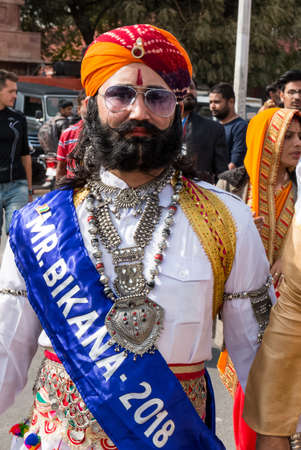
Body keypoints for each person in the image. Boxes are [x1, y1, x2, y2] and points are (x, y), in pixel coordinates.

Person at [0, 24, 275, 450]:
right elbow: (6, 350)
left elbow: (260, 357)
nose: (138, 113)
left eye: (157, 98)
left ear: (179, 111)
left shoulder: (226, 219)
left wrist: (273, 438)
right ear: (90, 107)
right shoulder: (37, 222)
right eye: (121, 95)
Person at [217, 108, 301, 450]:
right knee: (249, 389)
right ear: (268, 141)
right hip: (244, 311)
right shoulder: (232, 190)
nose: (298, 144)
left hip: (290, 309)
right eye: (289, 137)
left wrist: (288, 253)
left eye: (300, 137)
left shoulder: (298, 191)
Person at [244, 157, 301, 450]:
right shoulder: (244, 187)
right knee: (268, 411)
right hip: (291, 301)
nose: (297, 143)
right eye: (288, 136)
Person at [0, 70, 32, 239]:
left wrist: (29, 189)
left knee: (18, 237)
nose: (15, 95)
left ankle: (13, 267)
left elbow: (25, 155)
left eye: (15, 91)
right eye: (11, 91)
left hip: (17, 186)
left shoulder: (18, 118)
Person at [181, 79, 228, 181]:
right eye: (184, 87)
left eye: (192, 88)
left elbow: (222, 175)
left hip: (198, 193)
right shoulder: (157, 125)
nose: (189, 91)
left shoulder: (213, 130)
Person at [209, 82, 248, 170]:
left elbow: (235, 163)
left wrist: (219, 181)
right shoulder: (213, 125)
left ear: (231, 102)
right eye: (210, 102)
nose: (212, 106)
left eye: (217, 102)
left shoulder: (241, 127)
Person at [56, 89, 87, 179]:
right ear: (79, 110)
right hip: (74, 189)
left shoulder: (110, 133)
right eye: (87, 105)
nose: (91, 110)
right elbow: (61, 168)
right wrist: (60, 191)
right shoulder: (68, 134)